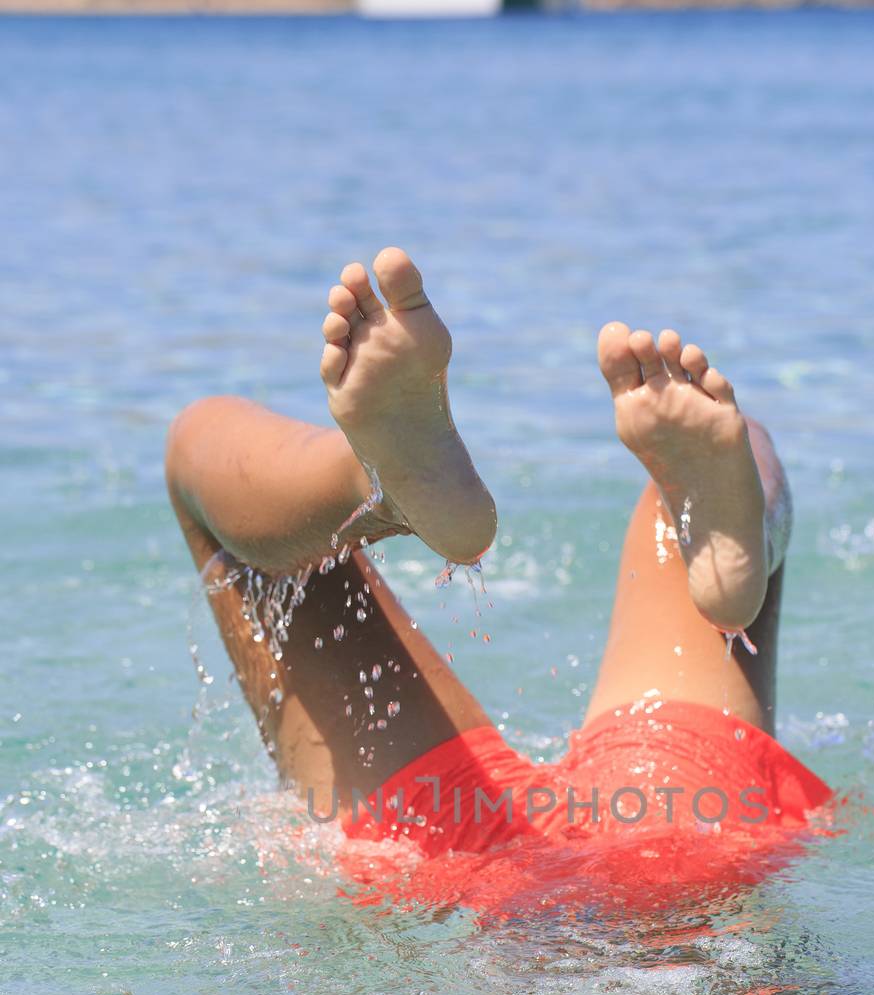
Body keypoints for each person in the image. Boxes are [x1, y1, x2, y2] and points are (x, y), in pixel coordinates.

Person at [166, 248, 831, 918]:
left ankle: (373, 487)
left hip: (444, 858)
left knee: (199, 444)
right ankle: (733, 528)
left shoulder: (425, 855)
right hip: (682, 815)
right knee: (721, 462)